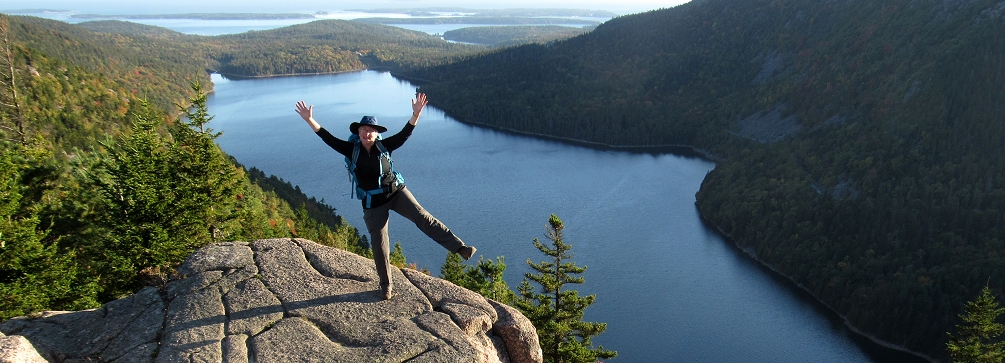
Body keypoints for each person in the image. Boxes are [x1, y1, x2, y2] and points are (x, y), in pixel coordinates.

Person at [294, 93, 476, 300]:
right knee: (380, 244)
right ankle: (386, 286)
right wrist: (309, 119)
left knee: (422, 217)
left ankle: (460, 248)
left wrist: (415, 115)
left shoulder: (384, 146)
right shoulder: (350, 150)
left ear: (376, 134)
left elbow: (404, 134)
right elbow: (326, 136)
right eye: (363, 130)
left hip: (396, 193)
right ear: (359, 132)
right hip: (373, 203)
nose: (367, 134)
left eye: (371, 131)